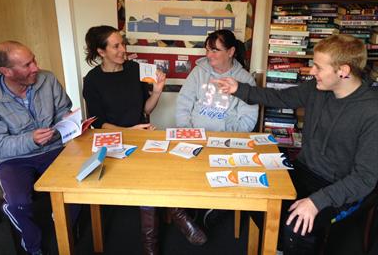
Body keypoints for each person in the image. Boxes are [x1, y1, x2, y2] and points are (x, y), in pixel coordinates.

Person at [213, 34, 378, 254]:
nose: (312, 72)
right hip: (304, 170)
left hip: (338, 187)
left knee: (297, 225)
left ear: (344, 71)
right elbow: (280, 98)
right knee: (253, 196)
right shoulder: (317, 89)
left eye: (318, 67)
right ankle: (280, 244)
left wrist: (317, 201)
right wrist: (239, 89)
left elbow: (365, 178)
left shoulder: (371, 112)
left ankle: (289, 243)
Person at [82, 25, 207, 255]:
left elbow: (146, 109)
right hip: (114, 141)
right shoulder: (92, 80)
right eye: (116, 46)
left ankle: (152, 245)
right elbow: (98, 123)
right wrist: (130, 131)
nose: (123, 50)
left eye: (123, 44)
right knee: (150, 177)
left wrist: (157, 91)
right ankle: (179, 218)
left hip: (142, 136)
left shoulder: (134, 69)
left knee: (162, 168)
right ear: (101, 52)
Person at [0, 41, 74, 255]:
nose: (36, 68)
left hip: (53, 149)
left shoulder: (47, 79)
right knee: (17, 204)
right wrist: (30, 140)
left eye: (34, 60)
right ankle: (33, 245)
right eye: (27, 64)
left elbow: (62, 110)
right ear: (6, 71)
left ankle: (60, 223)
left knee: (79, 184)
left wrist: (66, 121)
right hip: (14, 159)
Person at [176, 29, 259, 132]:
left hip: (227, 141)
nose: (209, 55)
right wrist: (187, 130)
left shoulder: (246, 79)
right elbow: (183, 103)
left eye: (214, 51)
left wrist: (229, 138)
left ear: (231, 52)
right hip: (195, 136)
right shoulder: (198, 72)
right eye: (207, 50)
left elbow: (248, 118)